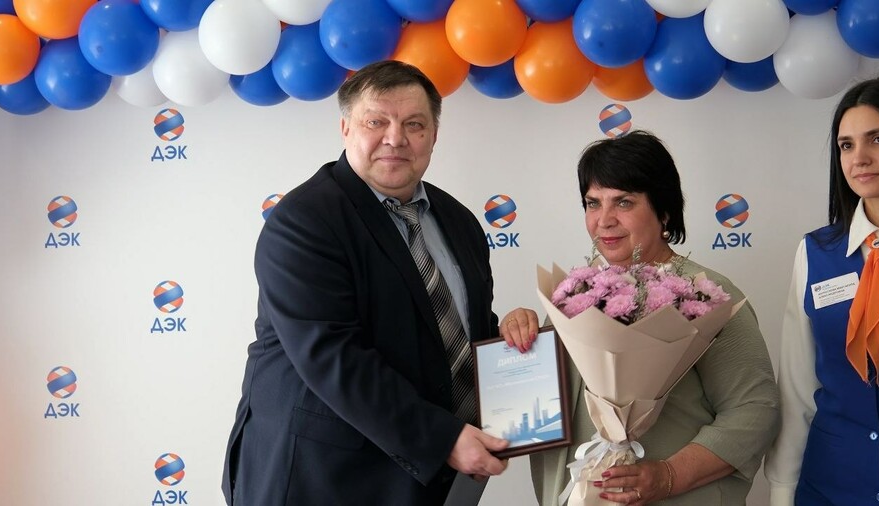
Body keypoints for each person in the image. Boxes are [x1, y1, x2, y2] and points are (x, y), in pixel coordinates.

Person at [221, 60, 510, 506]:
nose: (395, 138)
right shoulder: (304, 221)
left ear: (434, 135)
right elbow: (332, 357)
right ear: (345, 129)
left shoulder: (460, 221)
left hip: (425, 478)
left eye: (414, 124)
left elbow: (461, 333)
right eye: (376, 121)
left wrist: (512, 344)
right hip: (322, 480)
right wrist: (443, 439)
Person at [501, 130, 781, 504]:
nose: (604, 220)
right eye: (592, 203)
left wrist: (668, 476)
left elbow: (754, 411)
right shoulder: (575, 293)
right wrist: (521, 337)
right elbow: (533, 418)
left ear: (664, 210)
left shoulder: (706, 295)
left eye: (624, 202)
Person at [765, 74, 879, 505]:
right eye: (846, 145)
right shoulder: (815, 253)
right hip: (830, 486)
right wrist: (782, 490)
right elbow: (797, 388)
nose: (860, 158)